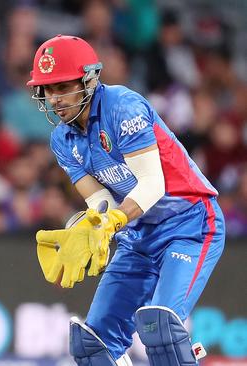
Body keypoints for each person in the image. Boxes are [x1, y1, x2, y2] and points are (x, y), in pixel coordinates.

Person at [28, 35, 224, 366]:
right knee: (92, 346)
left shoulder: (123, 107)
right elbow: (100, 200)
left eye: (63, 87)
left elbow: (152, 184)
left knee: (161, 327)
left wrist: (114, 221)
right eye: (48, 90)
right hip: (138, 235)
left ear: (89, 78)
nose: (55, 99)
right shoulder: (62, 139)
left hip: (190, 223)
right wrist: (90, 226)